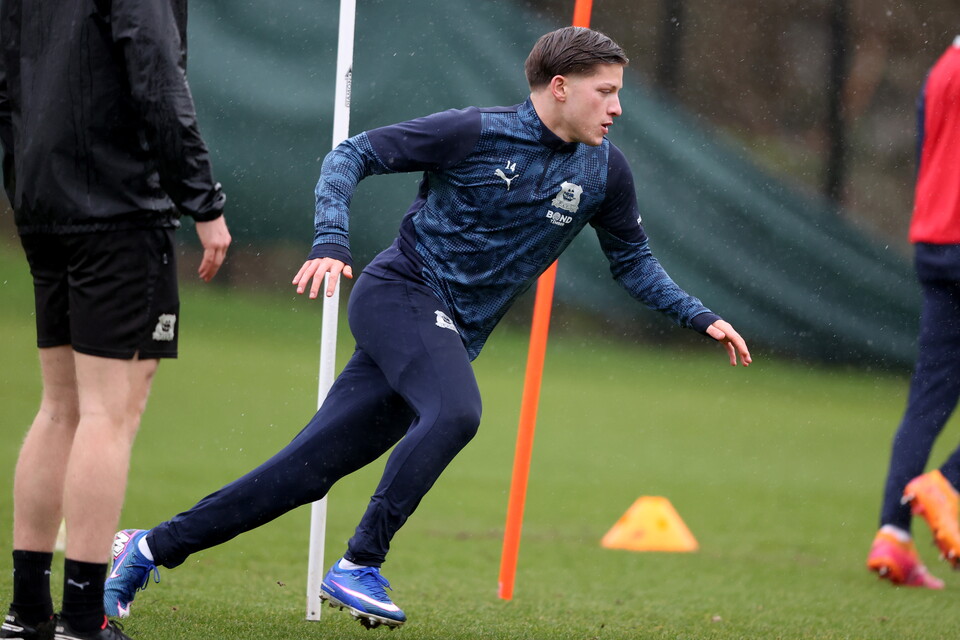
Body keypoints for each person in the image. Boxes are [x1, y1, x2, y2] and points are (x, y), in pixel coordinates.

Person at [102, 26, 750, 630]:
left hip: (444, 331)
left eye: (618, 94)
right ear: (560, 87)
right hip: (399, 294)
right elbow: (349, 156)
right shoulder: (473, 132)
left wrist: (702, 316)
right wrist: (331, 237)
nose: (614, 108)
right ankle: (360, 564)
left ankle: (148, 546)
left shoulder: (605, 171)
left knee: (304, 473)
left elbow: (632, 262)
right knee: (456, 412)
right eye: (604, 92)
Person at [0, 1, 231, 639]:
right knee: (109, 411)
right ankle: (80, 619)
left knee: (60, 406)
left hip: (42, 198)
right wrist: (203, 200)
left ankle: (28, 614)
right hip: (117, 206)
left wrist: (25, 178)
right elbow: (156, 72)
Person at [866, 36, 960, 590]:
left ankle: (894, 536)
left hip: (935, 241)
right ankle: (948, 486)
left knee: (928, 398)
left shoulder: (941, 69)